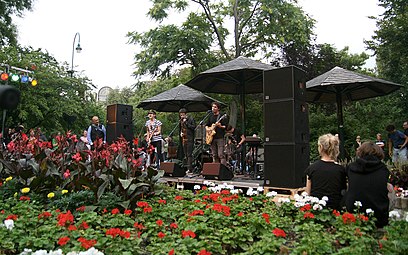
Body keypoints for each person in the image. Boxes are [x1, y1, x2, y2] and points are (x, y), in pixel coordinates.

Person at [345, 141, 390, 228]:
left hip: (354, 213)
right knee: (390, 190)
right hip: (378, 217)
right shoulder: (383, 169)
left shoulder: (351, 167)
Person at [305, 133, 347, 210]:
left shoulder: (312, 168)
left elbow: (307, 193)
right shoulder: (341, 170)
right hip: (335, 209)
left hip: (317, 209)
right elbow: (343, 191)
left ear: (320, 147)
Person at [206, 102, 228, 166]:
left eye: (215, 107)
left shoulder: (222, 116)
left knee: (221, 154)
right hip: (212, 137)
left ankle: (224, 169)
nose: (213, 108)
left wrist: (220, 126)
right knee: (214, 154)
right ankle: (216, 169)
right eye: (212, 107)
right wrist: (208, 129)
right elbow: (207, 125)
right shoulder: (210, 116)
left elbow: (225, 127)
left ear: (218, 108)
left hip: (220, 137)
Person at [179, 108, 196, 173]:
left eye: (183, 115)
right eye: (181, 115)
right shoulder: (181, 121)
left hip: (190, 138)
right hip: (184, 138)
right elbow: (182, 129)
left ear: (186, 114)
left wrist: (186, 122)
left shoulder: (191, 119)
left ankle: (190, 168)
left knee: (189, 154)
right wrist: (181, 133)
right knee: (186, 154)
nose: (182, 116)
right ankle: (186, 167)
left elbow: (193, 127)